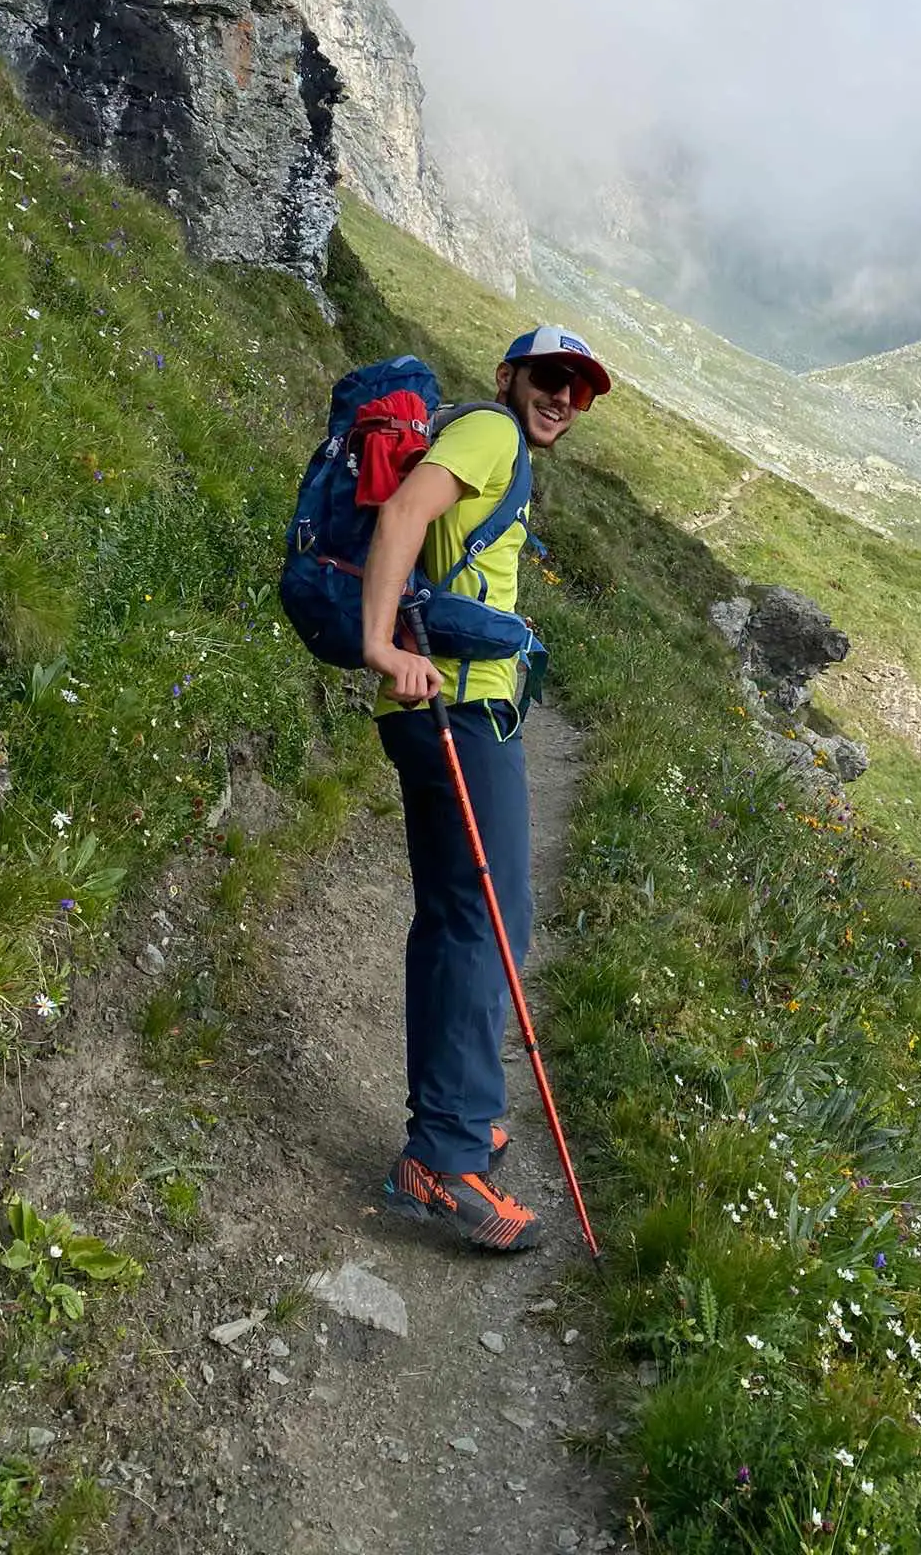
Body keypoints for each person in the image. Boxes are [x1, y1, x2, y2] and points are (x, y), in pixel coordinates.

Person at [361, 327, 611, 1250]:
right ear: (509, 376)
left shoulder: (495, 442)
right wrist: (379, 646)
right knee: (490, 923)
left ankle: (448, 1126)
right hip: (456, 712)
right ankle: (450, 1159)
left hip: (444, 708)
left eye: (580, 391)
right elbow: (404, 513)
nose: (564, 400)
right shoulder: (492, 433)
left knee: (455, 919)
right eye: (551, 379)